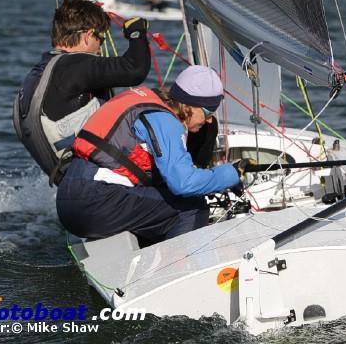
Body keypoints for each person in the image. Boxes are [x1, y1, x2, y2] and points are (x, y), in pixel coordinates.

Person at [56, 65, 248, 245]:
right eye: (208, 112)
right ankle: (177, 270)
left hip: (68, 200)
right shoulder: (166, 121)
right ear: (190, 105)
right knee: (193, 206)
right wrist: (231, 174)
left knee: (158, 204)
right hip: (96, 202)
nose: (208, 120)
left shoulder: (143, 101)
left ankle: (139, 260)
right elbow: (184, 183)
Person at [13, 0, 151, 184]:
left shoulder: (37, 74)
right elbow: (135, 69)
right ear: (87, 36)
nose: (100, 49)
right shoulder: (74, 66)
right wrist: (136, 33)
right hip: (102, 186)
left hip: (70, 186)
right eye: (100, 40)